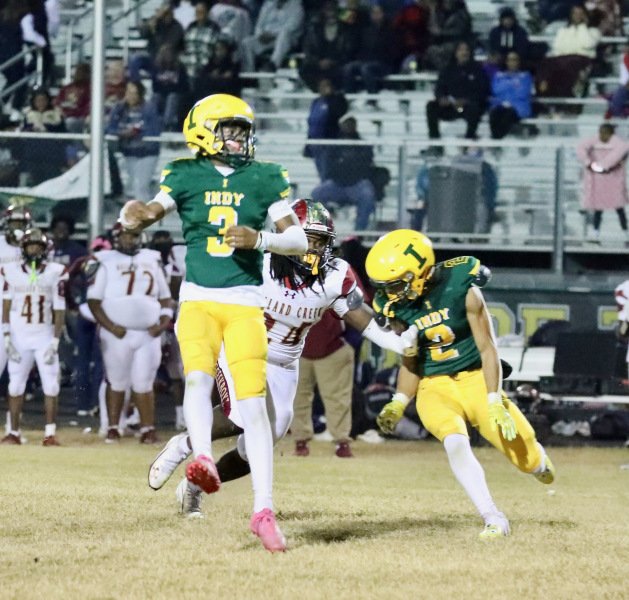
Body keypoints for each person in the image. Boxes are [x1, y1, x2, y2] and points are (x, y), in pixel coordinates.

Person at [119, 94, 308, 553]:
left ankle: (263, 510)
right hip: (199, 299)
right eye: (231, 131)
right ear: (204, 132)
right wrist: (134, 216)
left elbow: (299, 239)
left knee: (255, 407)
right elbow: (148, 212)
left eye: (243, 132)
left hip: (245, 302)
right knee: (198, 379)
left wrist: (260, 239)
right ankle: (202, 457)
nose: (239, 139)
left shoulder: (264, 176)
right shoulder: (184, 173)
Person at [146, 200, 409, 514]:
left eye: (320, 241)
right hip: (239, 346)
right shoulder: (257, 262)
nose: (313, 249)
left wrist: (405, 345)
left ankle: (194, 486)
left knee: (259, 445)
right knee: (243, 414)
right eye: (307, 240)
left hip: (285, 362)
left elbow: (365, 321)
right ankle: (183, 446)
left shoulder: (335, 275)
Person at [365, 229, 556, 538]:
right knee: (454, 442)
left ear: (419, 272)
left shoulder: (461, 287)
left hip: (476, 378)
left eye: (396, 283)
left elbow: (488, 349)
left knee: (527, 459)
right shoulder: (394, 306)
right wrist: (399, 401)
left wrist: (494, 400)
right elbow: (411, 360)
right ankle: (493, 517)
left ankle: (538, 463)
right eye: (385, 286)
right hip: (433, 386)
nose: (390, 293)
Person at [1, 228, 67, 446]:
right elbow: (6, 306)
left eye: (38, 247)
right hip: (19, 336)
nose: (34, 251)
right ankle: (13, 432)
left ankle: (50, 433)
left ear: (45, 250)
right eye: (31, 247)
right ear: (23, 249)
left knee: (51, 385)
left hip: (44, 336)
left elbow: (59, 309)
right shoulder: (10, 271)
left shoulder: (55, 272)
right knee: (15, 385)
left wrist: (55, 341)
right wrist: (7, 337)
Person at [311, 115, 377, 230]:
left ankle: (359, 233)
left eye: (351, 124)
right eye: (346, 124)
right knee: (317, 194)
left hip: (357, 183)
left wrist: (348, 162)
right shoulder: (334, 145)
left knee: (367, 196)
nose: (348, 126)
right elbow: (329, 167)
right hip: (336, 184)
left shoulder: (363, 145)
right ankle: (324, 226)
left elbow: (367, 166)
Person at [149, 230, 187, 430]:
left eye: (165, 240)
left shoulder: (177, 260)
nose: (162, 244)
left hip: (175, 321)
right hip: (153, 322)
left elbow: (174, 293)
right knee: (147, 372)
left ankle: (182, 417)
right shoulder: (147, 263)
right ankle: (137, 415)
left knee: (179, 372)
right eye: (158, 240)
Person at [106, 81, 162, 202]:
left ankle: (145, 212)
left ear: (140, 94)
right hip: (129, 152)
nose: (131, 96)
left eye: (134, 93)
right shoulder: (119, 108)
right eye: (129, 93)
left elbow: (153, 132)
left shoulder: (149, 109)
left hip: (147, 153)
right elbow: (110, 128)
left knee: (140, 186)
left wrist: (136, 133)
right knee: (134, 187)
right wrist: (121, 133)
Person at [426, 41, 489, 145]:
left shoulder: (477, 70)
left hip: (468, 107)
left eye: (466, 50)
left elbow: (482, 91)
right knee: (431, 106)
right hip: (451, 106)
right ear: (455, 53)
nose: (464, 53)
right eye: (461, 50)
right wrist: (441, 98)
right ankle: (435, 141)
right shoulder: (448, 69)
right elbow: (439, 88)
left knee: (475, 108)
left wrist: (466, 101)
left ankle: (469, 138)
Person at [576, 124, 629, 241]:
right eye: (601, 132)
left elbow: (615, 159)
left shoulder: (621, 146)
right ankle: (595, 232)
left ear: (611, 134)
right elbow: (581, 148)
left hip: (614, 181)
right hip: (598, 182)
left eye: (605, 133)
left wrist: (599, 167)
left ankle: (625, 231)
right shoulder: (593, 142)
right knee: (598, 209)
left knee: (619, 209)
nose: (602, 135)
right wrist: (588, 163)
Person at [535, 5, 600, 100]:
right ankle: (543, 89)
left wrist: (582, 26)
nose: (577, 16)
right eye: (575, 13)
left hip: (582, 59)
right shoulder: (564, 30)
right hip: (563, 58)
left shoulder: (593, 31)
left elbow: (587, 44)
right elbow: (557, 46)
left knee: (568, 65)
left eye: (580, 14)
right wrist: (576, 46)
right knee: (545, 62)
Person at [240, 0, 304, 72]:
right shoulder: (268, 3)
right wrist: (260, 34)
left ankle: (273, 64)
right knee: (246, 43)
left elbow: (292, 26)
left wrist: (272, 35)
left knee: (284, 34)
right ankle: (249, 72)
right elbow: (260, 23)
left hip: (288, 39)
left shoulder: (296, 6)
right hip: (266, 38)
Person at [304, 77, 348, 179]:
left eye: (327, 86)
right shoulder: (316, 102)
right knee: (320, 171)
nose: (324, 88)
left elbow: (338, 113)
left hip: (328, 144)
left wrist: (332, 97)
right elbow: (312, 123)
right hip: (315, 144)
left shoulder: (336, 100)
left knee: (328, 172)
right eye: (322, 86)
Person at [488, 52, 533, 140]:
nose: (512, 62)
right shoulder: (499, 76)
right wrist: (512, 85)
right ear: (506, 62)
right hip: (500, 106)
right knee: (494, 114)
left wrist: (506, 86)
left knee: (508, 114)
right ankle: (496, 139)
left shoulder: (525, 76)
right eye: (510, 60)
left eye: (515, 60)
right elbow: (496, 90)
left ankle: (496, 140)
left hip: (518, 108)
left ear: (519, 62)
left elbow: (523, 92)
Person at [151, 44, 189, 132]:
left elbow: (183, 86)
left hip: (176, 95)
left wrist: (167, 86)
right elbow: (155, 86)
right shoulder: (157, 68)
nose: (167, 56)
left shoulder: (180, 67)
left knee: (172, 97)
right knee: (155, 97)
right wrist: (168, 86)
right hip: (161, 94)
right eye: (165, 54)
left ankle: (167, 124)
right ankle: (154, 122)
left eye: (169, 54)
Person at [182, 1, 222, 80]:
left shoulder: (215, 28)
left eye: (202, 12)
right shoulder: (191, 27)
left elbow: (218, 48)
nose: (199, 14)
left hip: (207, 68)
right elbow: (184, 46)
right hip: (189, 65)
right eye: (197, 12)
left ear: (208, 13)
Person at [54, 63, 91, 133]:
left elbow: (89, 107)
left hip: (79, 119)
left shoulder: (90, 89)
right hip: (63, 117)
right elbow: (57, 103)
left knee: (71, 122)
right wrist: (58, 111)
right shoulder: (66, 88)